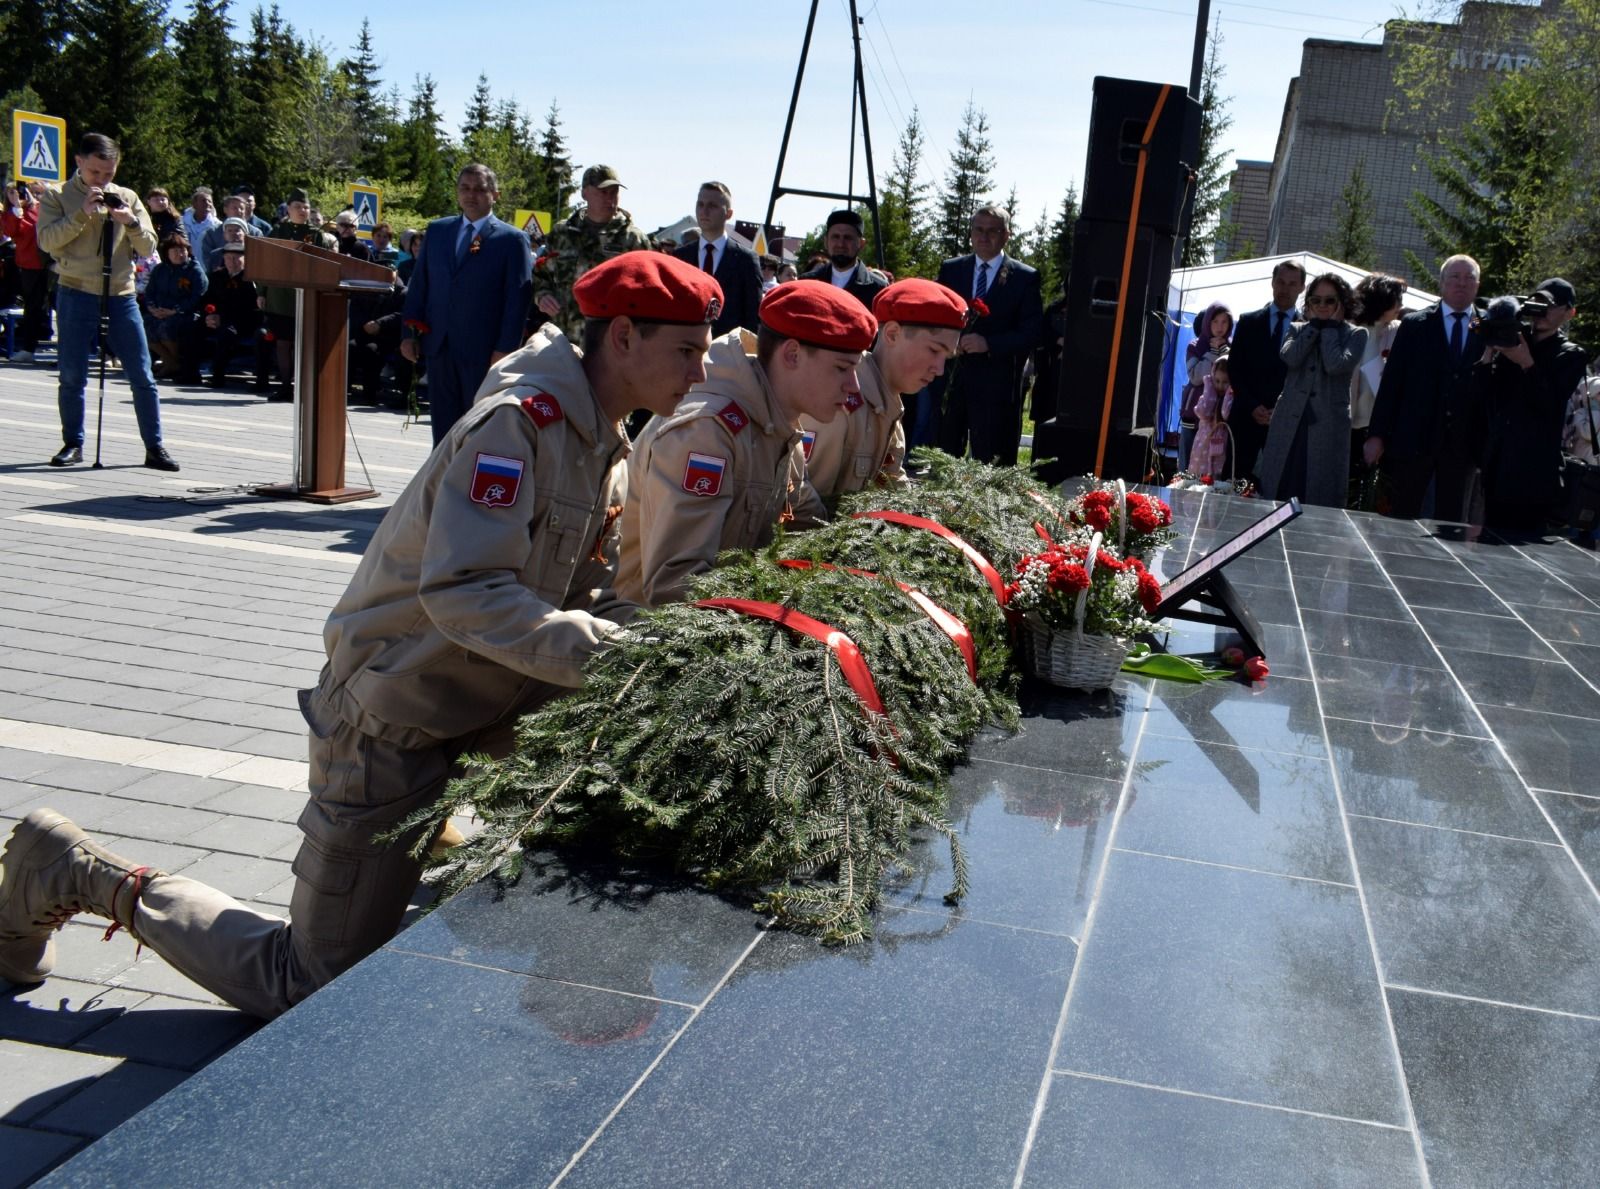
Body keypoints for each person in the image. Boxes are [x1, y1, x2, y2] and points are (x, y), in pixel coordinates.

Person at [0, 253, 723, 1020]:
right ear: (622, 337)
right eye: (687, 349)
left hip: (466, 712)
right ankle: (73, 869)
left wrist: (686, 647)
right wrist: (614, 655)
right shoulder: (520, 427)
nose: (702, 368)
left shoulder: (598, 435)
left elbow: (584, 595)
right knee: (307, 981)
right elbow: (465, 593)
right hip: (390, 724)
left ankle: (427, 847)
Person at [616, 280, 877, 608]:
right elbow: (676, 589)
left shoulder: (779, 424)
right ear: (793, 355)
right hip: (644, 637)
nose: (854, 387)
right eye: (843, 368)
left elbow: (809, 529)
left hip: (726, 622)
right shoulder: (707, 433)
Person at [35, 133, 179, 471]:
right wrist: (82, 214)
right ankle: (73, 443)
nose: (102, 180)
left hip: (120, 295)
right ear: (79, 162)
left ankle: (154, 447)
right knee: (72, 374)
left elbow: (148, 248)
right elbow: (46, 241)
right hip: (75, 290)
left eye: (109, 173)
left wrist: (129, 221)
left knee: (142, 374)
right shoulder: (58, 195)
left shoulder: (127, 197)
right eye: (96, 172)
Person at [400, 163, 533, 446]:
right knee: (443, 431)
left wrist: (505, 350)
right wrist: (409, 334)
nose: (471, 195)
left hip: (484, 353)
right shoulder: (437, 231)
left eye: (479, 189)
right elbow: (420, 285)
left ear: (495, 195)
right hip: (439, 346)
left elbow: (517, 299)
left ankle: (469, 487)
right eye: (465, 188)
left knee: (479, 430)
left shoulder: (512, 240)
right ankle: (441, 485)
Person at [801, 277, 965, 500]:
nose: (939, 369)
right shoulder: (840, 402)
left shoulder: (887, 403)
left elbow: (892, 489)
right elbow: (801, 509)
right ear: (892, 334)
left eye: (947, 357)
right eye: (934, 350)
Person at [1365, 255, 1486, 521]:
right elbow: (1393, 383)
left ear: (1477, 286)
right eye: (1454, 277)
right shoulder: (1416, 324)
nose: (1461, 284)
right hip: (1414, 438)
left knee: (1451, 521)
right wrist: (1377, 434)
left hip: (1461, 444)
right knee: (1402, 514)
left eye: (1469, 278)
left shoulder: (1483, 326)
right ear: (1442, 283)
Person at [929, 205, 1043, 465]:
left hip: (997, 389)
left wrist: (988, 343)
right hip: (952, 383)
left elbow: (1032, 333)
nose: (984, 236)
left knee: (991, 465)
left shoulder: (1024, 278)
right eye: (979, 229)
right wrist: (949, 343)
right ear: (971, 233)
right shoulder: (951, 269)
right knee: (944, 461)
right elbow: (936, 318)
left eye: (993, 231)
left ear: (1006, 235)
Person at [1478, 280, 1588, 533]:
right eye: (1536, 304)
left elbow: (1550, 404)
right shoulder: (1513, 337)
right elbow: (1486, 392)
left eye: (1548, 306)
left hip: (1534, 470)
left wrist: (1527, 364)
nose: (1541, 312)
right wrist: (1488, 346)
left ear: (1569, 312)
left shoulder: (1570, 354)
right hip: (1498, 462)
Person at [1257, 273, 1368, 506]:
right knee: (1277, 489)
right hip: (1289, 423)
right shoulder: (1297, 329)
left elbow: (1336, 364)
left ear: (1342, 302)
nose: (1322, 306)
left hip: (1328, 426)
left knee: (1319, 495)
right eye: (1316, 300)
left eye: (1330, 300)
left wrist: (1329, 330)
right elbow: (1290, 358)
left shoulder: (1356, 334)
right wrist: (1314, 327)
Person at [533, 164, 653, 340]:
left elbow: (648, 291)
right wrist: (542, 296)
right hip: (564, 341)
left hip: (611, 345)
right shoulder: (562, 234)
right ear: (584, 193)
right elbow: (539, 275)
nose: (609, 198)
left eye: (614, 192)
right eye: (603, 192)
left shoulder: (633, 239)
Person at [1226, 259, 1306, 484]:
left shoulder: (1308, 329)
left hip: (1284, 423)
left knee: (1279, 486)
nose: (1285, 288)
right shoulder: (1248, 322)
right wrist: (1252, 406)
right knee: (1235, 483)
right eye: (1280, 281)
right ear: (1272, 282)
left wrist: (1278, 410)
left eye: (1292, 283)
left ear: (1301, 287)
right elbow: (1235, 369)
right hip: (1245, 419)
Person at [261, 187, 337, 401]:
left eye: (306, 207)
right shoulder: (277, 231)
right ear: (289, 209)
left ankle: (304, 387)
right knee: (283, 343)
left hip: (307, 296)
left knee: (303, 344)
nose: (303, 210)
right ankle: (285, 386)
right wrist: (262, 291)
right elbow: (266, 262)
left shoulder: (316, 234)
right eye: (298, 207)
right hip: (281, 297)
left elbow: (324, 263)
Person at [672, 181, 763, 337]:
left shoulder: (745, 260)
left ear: (728, 213)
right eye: (700, 205)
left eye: (712, 206)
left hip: (728, 352)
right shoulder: (680, 257)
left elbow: (753, 316)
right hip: (685, 346)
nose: (704, 211)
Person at [1348, 273, 1406, 499]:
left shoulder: (1396, 331)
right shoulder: (1350, 329)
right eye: (1397, 300)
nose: (1401, 306)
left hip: (1377, 427)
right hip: (1348, 423)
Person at [190, 241, 266, 389]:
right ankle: (190, 372)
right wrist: (209, 315)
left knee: (227, 333)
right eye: (228, 258)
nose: (232, 262)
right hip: (217, 318)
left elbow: (251, 309)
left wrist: (222, 318)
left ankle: (218, 375)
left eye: (237, 258)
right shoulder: (217, 276)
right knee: (193, 328)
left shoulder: (251, 280)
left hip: (242, 321)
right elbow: (206, 299)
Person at [141, 234, 209, 382]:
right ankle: (171, 362)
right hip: (160, 311)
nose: (180, 254)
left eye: (182, 250)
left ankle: (173, 363)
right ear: (167, 253)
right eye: (175, 251)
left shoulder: (194, 270)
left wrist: (175, 310)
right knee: (145, 324)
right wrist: (153, 308)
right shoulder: (160, 270)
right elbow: (150, 292)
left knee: (168, 326)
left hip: (186, 313)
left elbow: (197, 297)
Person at [1179, 303, 1234, 471]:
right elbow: (1195, 377)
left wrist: (1225, 352)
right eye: (1215, 321)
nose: (1219, 327)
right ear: (1207, 322)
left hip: (1218, 421)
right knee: (1187, 465)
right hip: (1193, 416)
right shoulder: (1195, 346)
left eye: (1224, 322)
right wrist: (1213, 353)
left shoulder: (1233, 349)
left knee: (1213, 467)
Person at [800, 209, 887, 311]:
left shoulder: (878, 289)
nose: (841, 244)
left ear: (861, 243)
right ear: (826, 241)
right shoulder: (807, 283)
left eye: (848, 238)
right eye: (835, 237)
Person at [1, 180, 47, 363]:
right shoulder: (9, 214)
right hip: (29, 265)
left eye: (19, 192)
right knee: (32, 307)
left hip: (50, 264)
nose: (17, 196)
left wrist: (33, 204)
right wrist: (17, 212)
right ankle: (28, 348)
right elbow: (13, 232)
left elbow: (40, 228)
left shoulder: (38, 208)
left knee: (59, 305)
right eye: (12, 194)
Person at [180, 186, 219, 256]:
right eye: (204, 201)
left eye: (210, 201)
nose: (207, 203)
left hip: (207, 265)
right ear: (194, 204)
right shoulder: (181, 223)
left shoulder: (217, 225)